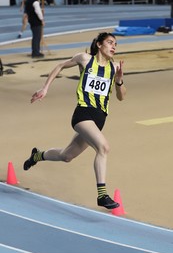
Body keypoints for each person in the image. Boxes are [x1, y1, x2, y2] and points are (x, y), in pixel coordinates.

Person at [23, 32, 126, 209]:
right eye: (110, 42)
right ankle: (102, 195)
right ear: (100, 45)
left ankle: (37, 155)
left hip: (99, 120)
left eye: (115, 44)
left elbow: (121, 97)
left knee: (66, 156)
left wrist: (118, 81)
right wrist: (45, 88)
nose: (114, 46)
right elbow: (60, 66)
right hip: (83, 115)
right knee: (104, 147)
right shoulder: (85, 59)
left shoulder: (115, 67)